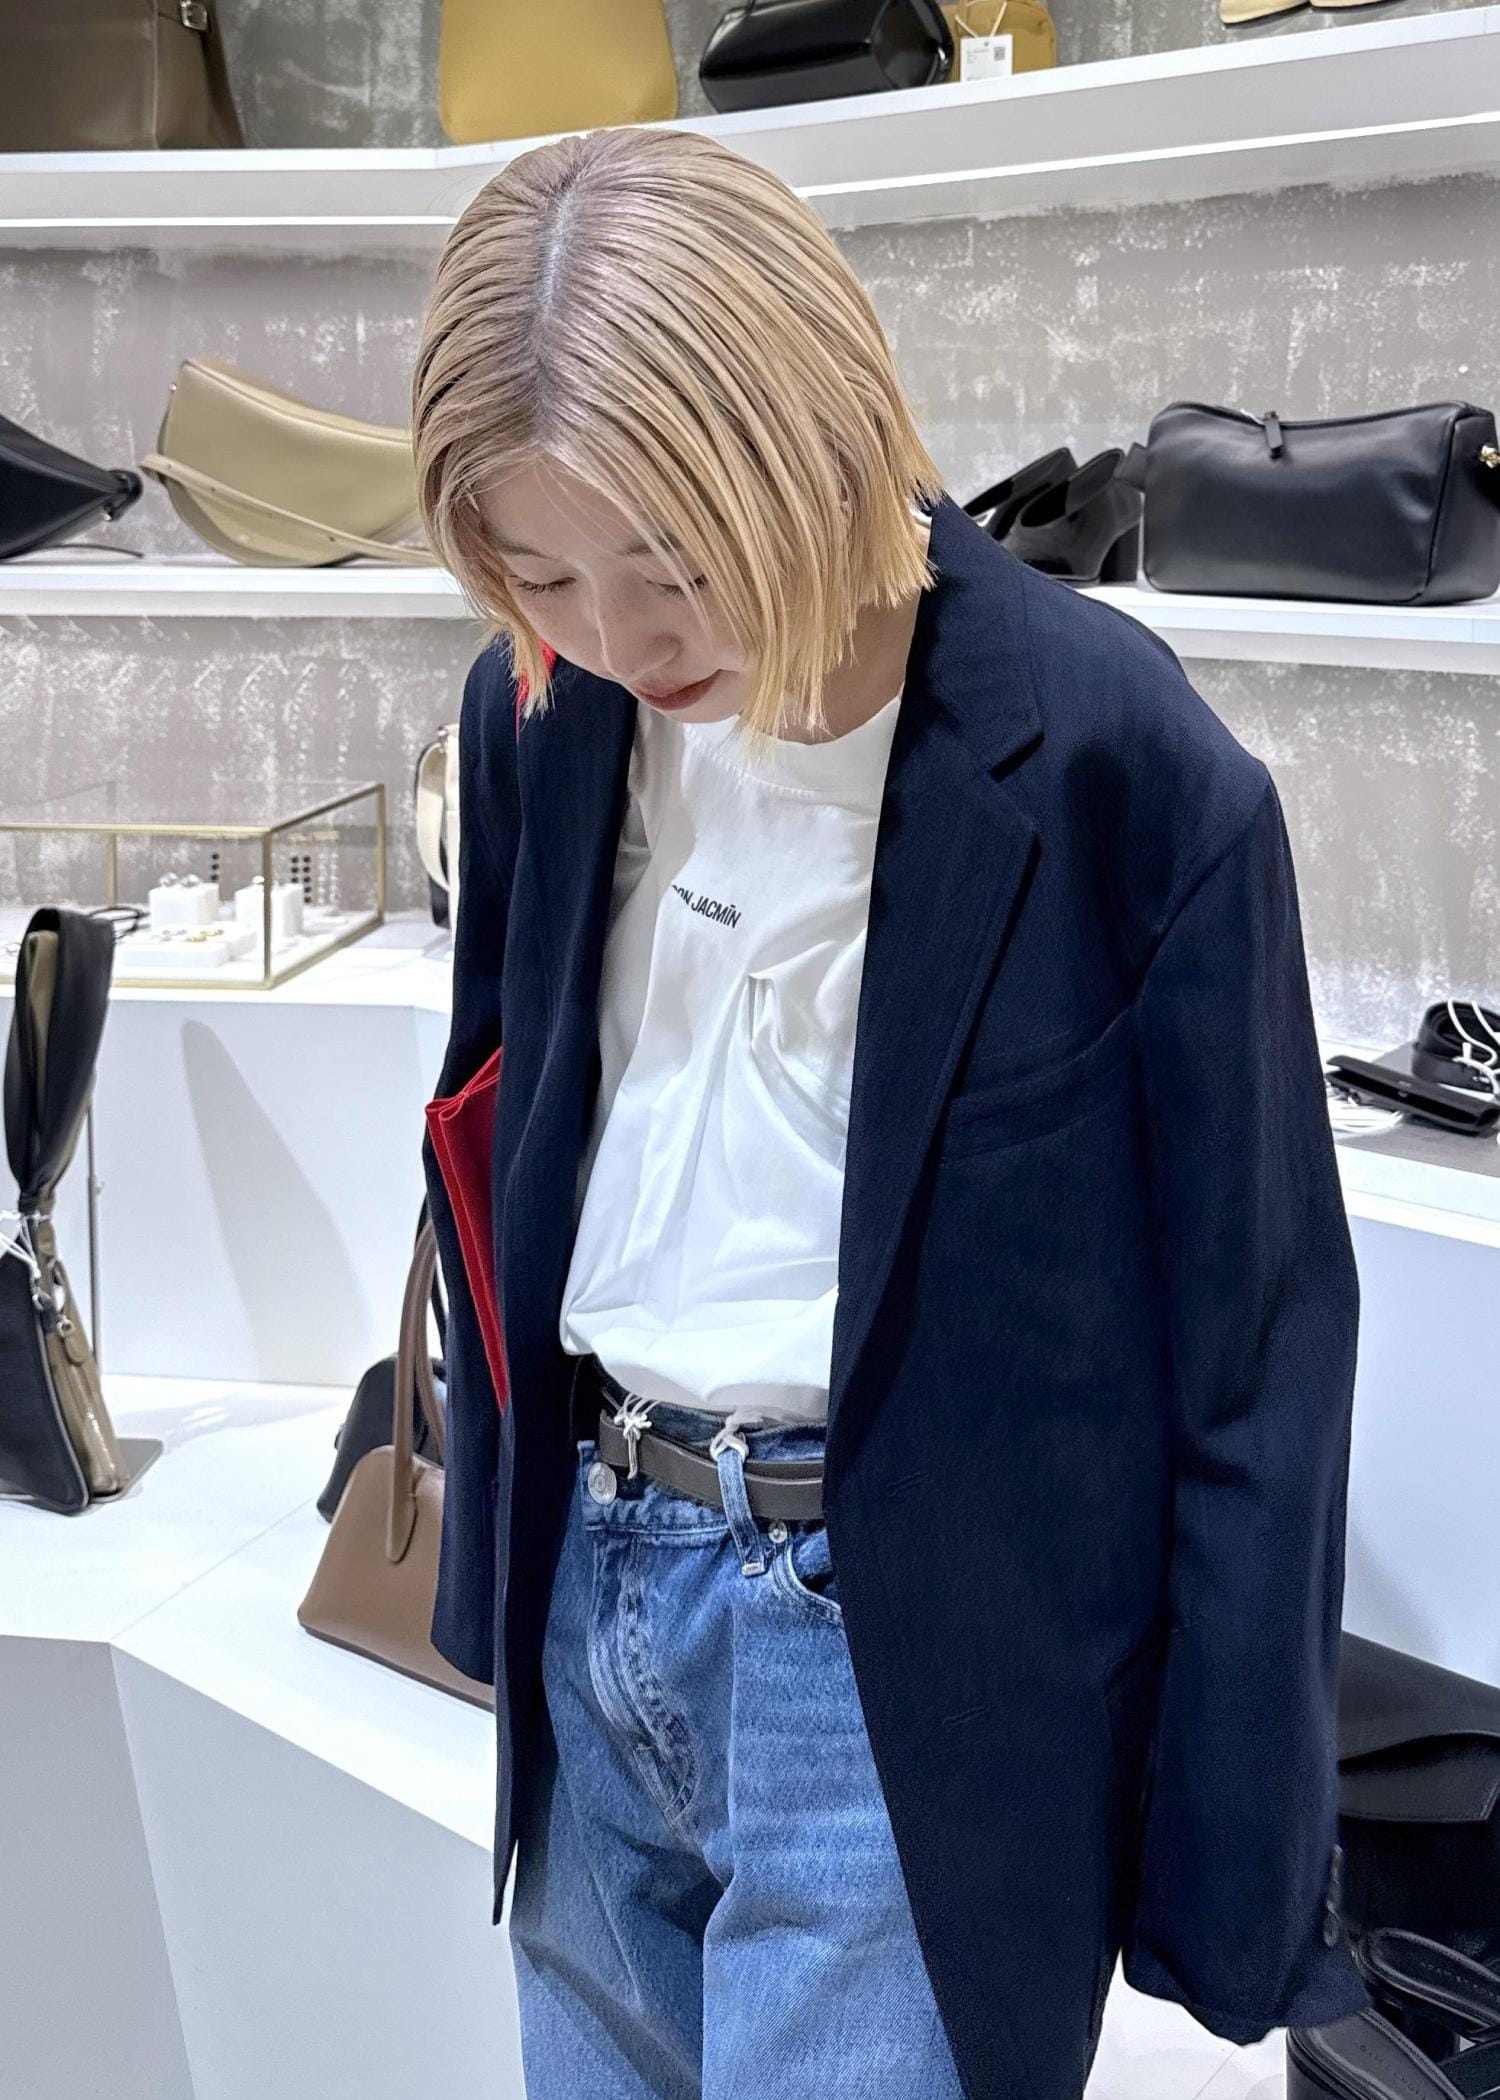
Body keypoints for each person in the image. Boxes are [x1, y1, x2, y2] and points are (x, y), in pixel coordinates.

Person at [411, 124, 1374, 2100]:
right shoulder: (545, 715)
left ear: (819, 441)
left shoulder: (1118, 767)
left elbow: (1256, 1352)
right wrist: (496, 1573)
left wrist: (1232, 1855)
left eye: (674, 564)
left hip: (887, 1667)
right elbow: (497, 1127)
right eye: (545, 573)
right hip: (594, 1592)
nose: (624, 639)